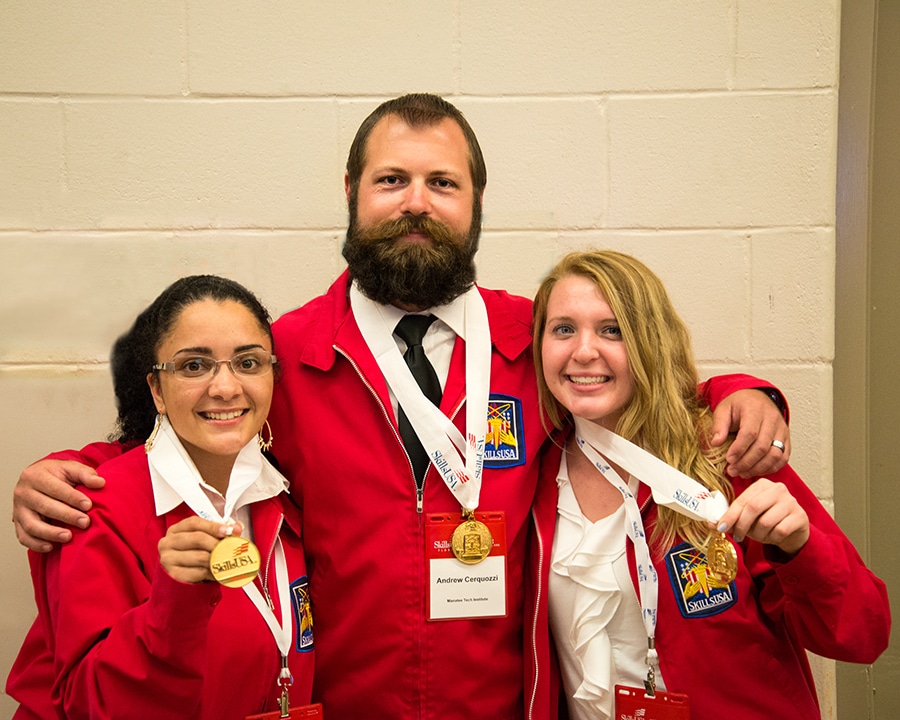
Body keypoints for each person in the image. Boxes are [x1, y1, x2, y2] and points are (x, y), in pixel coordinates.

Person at [10, 95, 791, 720]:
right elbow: (200, 427)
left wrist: (739, 395)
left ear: (475, 201)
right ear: (352, 193)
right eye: (391, 181)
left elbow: (643, 398)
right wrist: (74, 469)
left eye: (442, 183)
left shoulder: (541, 340)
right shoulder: (286, 354)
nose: (415, 203)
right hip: (347, 703)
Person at [525, 250, 890, 719]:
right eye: (563, 329)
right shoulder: (530, 472)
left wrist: (800, 548)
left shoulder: (727, 455)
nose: (584, 350)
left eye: (612, 329)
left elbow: (862, 635)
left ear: (650, 341)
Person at [7, 276, 316, 719]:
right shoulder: (97, 511)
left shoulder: (282, 498)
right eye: (194, 366)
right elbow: (89, 705)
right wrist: (174, 607)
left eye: (248, 363)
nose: (226, 388)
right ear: (157, 390)